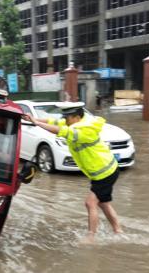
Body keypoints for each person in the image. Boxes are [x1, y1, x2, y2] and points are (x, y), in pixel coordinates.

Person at [24, 104, 122, 244]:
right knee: (103, 203)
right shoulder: (76, 122)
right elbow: (54, 122)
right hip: (103, 171)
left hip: (105, 172)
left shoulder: (83, 130)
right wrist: (34, 118)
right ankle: (118, 230)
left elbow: (58, 130)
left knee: (90, 203)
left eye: (67, 117)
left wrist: (36, 123)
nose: (65, 120)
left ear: (76, 117)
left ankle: (91, 237)